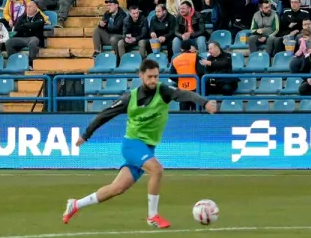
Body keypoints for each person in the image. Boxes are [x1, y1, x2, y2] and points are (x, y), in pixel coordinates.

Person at [63, 59, 217, 229]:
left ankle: (76, 204)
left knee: (117, 188)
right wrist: (86, 135)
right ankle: (152, 216)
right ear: (141, 75)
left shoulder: (163, 91)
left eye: (156, 76)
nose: (153, 80)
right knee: (157, 170)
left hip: (147, 147)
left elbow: (185, 94)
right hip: (132, 145)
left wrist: (204, 102)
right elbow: (105, 115)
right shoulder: (130, 97)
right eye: (150, 76)